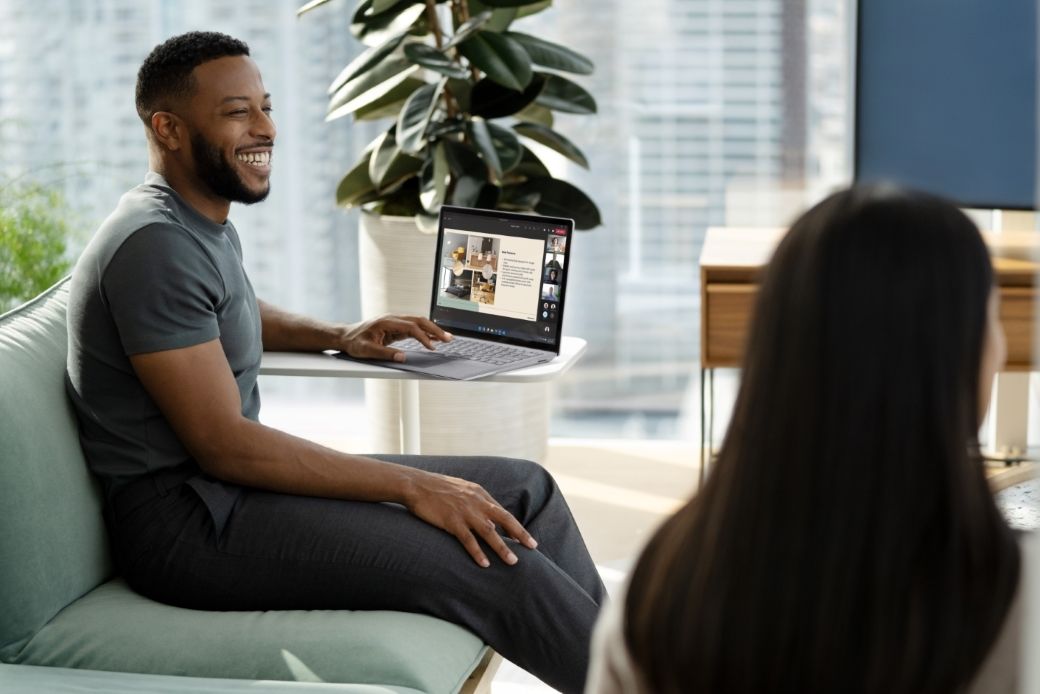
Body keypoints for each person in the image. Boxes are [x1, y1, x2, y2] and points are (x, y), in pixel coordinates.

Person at [64, 31, 604, 694]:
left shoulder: (189, 222)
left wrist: (337, 334)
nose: (265, 127)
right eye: (237, 112)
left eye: (265, 106)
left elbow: (224, 309)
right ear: (169, 128)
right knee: (491, 557)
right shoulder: (154, 244)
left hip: (227, 496)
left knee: (526, 490)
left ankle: (639, 670)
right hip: (187, 525)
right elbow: (224, 446)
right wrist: (412, 487)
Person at [585, 186, 1023, 693]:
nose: (1003, 345)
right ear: (952, 359)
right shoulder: (1010, 598)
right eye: (993, 317)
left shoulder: (661, 584)